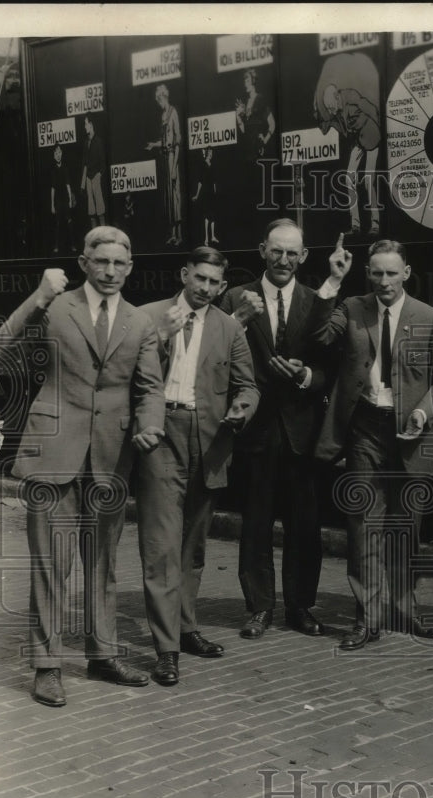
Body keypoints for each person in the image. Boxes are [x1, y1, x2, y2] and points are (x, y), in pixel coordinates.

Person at [0, 226, 166, 707]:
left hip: (111, 457)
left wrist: (151, 424)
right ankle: (47, 666)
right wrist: (38, 295)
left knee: (103, 563)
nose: (110, 271)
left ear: (130, 268)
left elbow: (150, 387)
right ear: (84, 262)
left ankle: (102, 654)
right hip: (53, 454)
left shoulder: (139, 322)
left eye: (119, 263)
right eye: (101, 261)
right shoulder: (56, 307)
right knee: (52, 565)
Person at [311, 237, 433, 650]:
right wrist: (332, 282)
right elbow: (320, 335)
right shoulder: (353, 309)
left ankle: (404, 610)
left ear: (406, 273)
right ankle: (367, 618)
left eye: (392, 273)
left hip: (413, 434)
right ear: (367, 273)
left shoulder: (428, 317)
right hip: (365, 429)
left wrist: (425, 411)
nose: (384, 281)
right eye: (376, 273)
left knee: (407, 526)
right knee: (363, 525)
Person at [136, 246, 259, 685]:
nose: (205, 288)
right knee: (162, 545)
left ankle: (187, 628)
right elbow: (129, 373)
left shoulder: (229, 328)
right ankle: (166, 649)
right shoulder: (148, 315)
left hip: (210, 439)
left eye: (214, 283)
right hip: (161, 434)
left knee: (194, 544)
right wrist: (164, 336)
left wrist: (242, 408)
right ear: (184, 274)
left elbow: (248, 384)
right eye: (199, 278)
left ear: (223, 286)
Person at [220, 219, 330, 640]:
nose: (284, 260)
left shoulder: (316, 300)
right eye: (276, 251)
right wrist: (236, 320)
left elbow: (329, 366)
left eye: (293, 253)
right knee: (256, 521)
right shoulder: (235, 298)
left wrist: (305, 377)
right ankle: (259, 608)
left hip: (302, 430)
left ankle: (300, 607)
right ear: (263, 250)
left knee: (305, 523)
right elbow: (217, 352)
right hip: (256, 429)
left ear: (303, 257)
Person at [318, 83, 381, 237]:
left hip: (371, 136)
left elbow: (368, 111)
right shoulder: (337, 110)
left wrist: (359, 125)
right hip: (358, 141)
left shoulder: (350, 97)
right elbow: (339, 125)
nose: (331, 111)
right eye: (328, 108)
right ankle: (355, 224)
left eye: (331, 107)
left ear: (337, 97)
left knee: (368, 180)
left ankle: (375, 223)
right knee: (348, 179)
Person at [145, 83, 183, 246]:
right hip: (164, 156)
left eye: (159, 99)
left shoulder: (173, 113)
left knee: (175, 196)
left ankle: (180, 235)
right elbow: (164, 141)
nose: (158, 103)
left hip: (172, 157)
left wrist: (174, 166)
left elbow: (177, 140)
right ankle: (173, 234)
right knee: (168, 198)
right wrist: (154, 145)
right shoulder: (162, 116)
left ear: (164, 97)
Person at [49, 144, 76, 255]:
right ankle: (56, 246)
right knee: (58, 223)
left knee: (69, 222)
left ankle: (73, 245)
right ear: (54, 155)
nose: (58, 155)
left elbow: (68, 184)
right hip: (58, 200)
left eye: (59, 152)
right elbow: (52, 188)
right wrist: (52, 204)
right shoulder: (53, 170)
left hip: (65, 199)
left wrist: (70, 199)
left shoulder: (65, 168)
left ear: (62, 154)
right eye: (56, 153)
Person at [81, 116, 107, 227]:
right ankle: (95, 238)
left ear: (91, 124)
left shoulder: (98, 141)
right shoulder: (86, 142)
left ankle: (103, 236)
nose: (84, 126)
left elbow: (103, 163)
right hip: (88, 178)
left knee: (100, 209)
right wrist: (83, 183)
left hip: (96, 177)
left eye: (85, 124)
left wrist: (98, 175)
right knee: (91, 211)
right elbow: (84, 163)